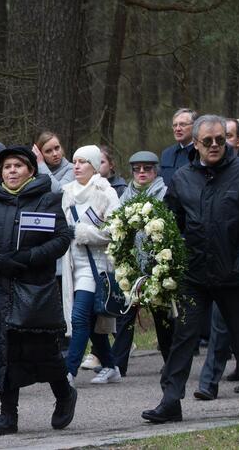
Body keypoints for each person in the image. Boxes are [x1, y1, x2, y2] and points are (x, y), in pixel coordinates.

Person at [142, 114, 239, 423]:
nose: (214, 146)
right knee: (183, 337)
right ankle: (171, 401)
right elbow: (171, 224)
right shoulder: (183, 178)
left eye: (220, 140)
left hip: (236, 272)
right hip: (194, 273)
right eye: (207, 141)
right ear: (195, 144)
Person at [0, 146, 76, 435]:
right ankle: (8, 415)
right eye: (7, 167)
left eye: (18, 166)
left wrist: (29, 259)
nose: (12, 171)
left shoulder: (47, 200)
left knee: (42, 351)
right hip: (0, 287)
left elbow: (62, 238)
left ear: (31, 170)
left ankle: (65, 394)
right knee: (5, 351)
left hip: (34, 290)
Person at [61, 145, 122, 386]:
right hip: (71, 264)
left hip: (95, 265)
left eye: (84, 161)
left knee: (79, 317)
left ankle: (69, 371)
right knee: (94, 322)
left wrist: (81, 231)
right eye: (75, 161)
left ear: (95, 166)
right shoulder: (67, 192)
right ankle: (110, 366)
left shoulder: (106, 193)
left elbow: (114, 232)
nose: (77, 166)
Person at [109, 151, 173, 376]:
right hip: (133, 263)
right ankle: (117, 365)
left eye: (147, 168)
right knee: (125, 314)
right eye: (137, 169)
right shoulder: (126, 195)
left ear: (156, 170)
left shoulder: (165, 193)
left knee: (161, 316)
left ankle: (171, 362)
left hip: (157, 263)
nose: (142, 173)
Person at [160, 108, 197, 186]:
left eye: (182, 124)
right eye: (175, 125)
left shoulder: (202, 153)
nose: (177, 129)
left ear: (195, 126)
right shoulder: (166, 153)